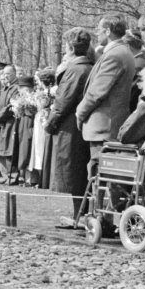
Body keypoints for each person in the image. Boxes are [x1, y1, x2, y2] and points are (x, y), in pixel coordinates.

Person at [76, 14, 137, 190]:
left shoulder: (115, 55)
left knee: (100, 176)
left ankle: (101, 216)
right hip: (108, 123)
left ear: (108, 31)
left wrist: (80, 113)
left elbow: (97, 92)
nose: (96, 33)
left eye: (99, 29)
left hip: (104, 125)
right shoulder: (120, 52)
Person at [47, 28, 94, 222]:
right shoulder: (90, 66)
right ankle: (80, 213)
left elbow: (62, 101)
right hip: (81, 124)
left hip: (71, 126)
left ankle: (79, 214)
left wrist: (50, 123)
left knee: (74, 171)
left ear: (70, 47)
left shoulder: (75, 69)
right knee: (79, 170)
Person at [0, 65, 20, 184]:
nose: (5, 76)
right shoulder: (5, 88)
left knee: (9, 149)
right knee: (0, 149)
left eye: (8, 74)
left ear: (14, 73)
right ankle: (3, 176)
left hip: (10, 122)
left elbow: (11, 106)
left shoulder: (16, 88)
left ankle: (11, 176)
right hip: (1, 123)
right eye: (4, 74)